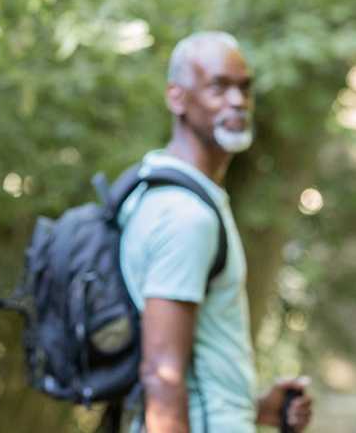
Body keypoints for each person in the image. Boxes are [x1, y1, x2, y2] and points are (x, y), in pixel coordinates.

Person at [118, 31, 313, 432]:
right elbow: (162, 375)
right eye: (218, 87)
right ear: (177, 98)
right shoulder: (185, 217)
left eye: (245, 88)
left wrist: (258, 409)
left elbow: (188, 374)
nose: (238, 101)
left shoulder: (162, 192)